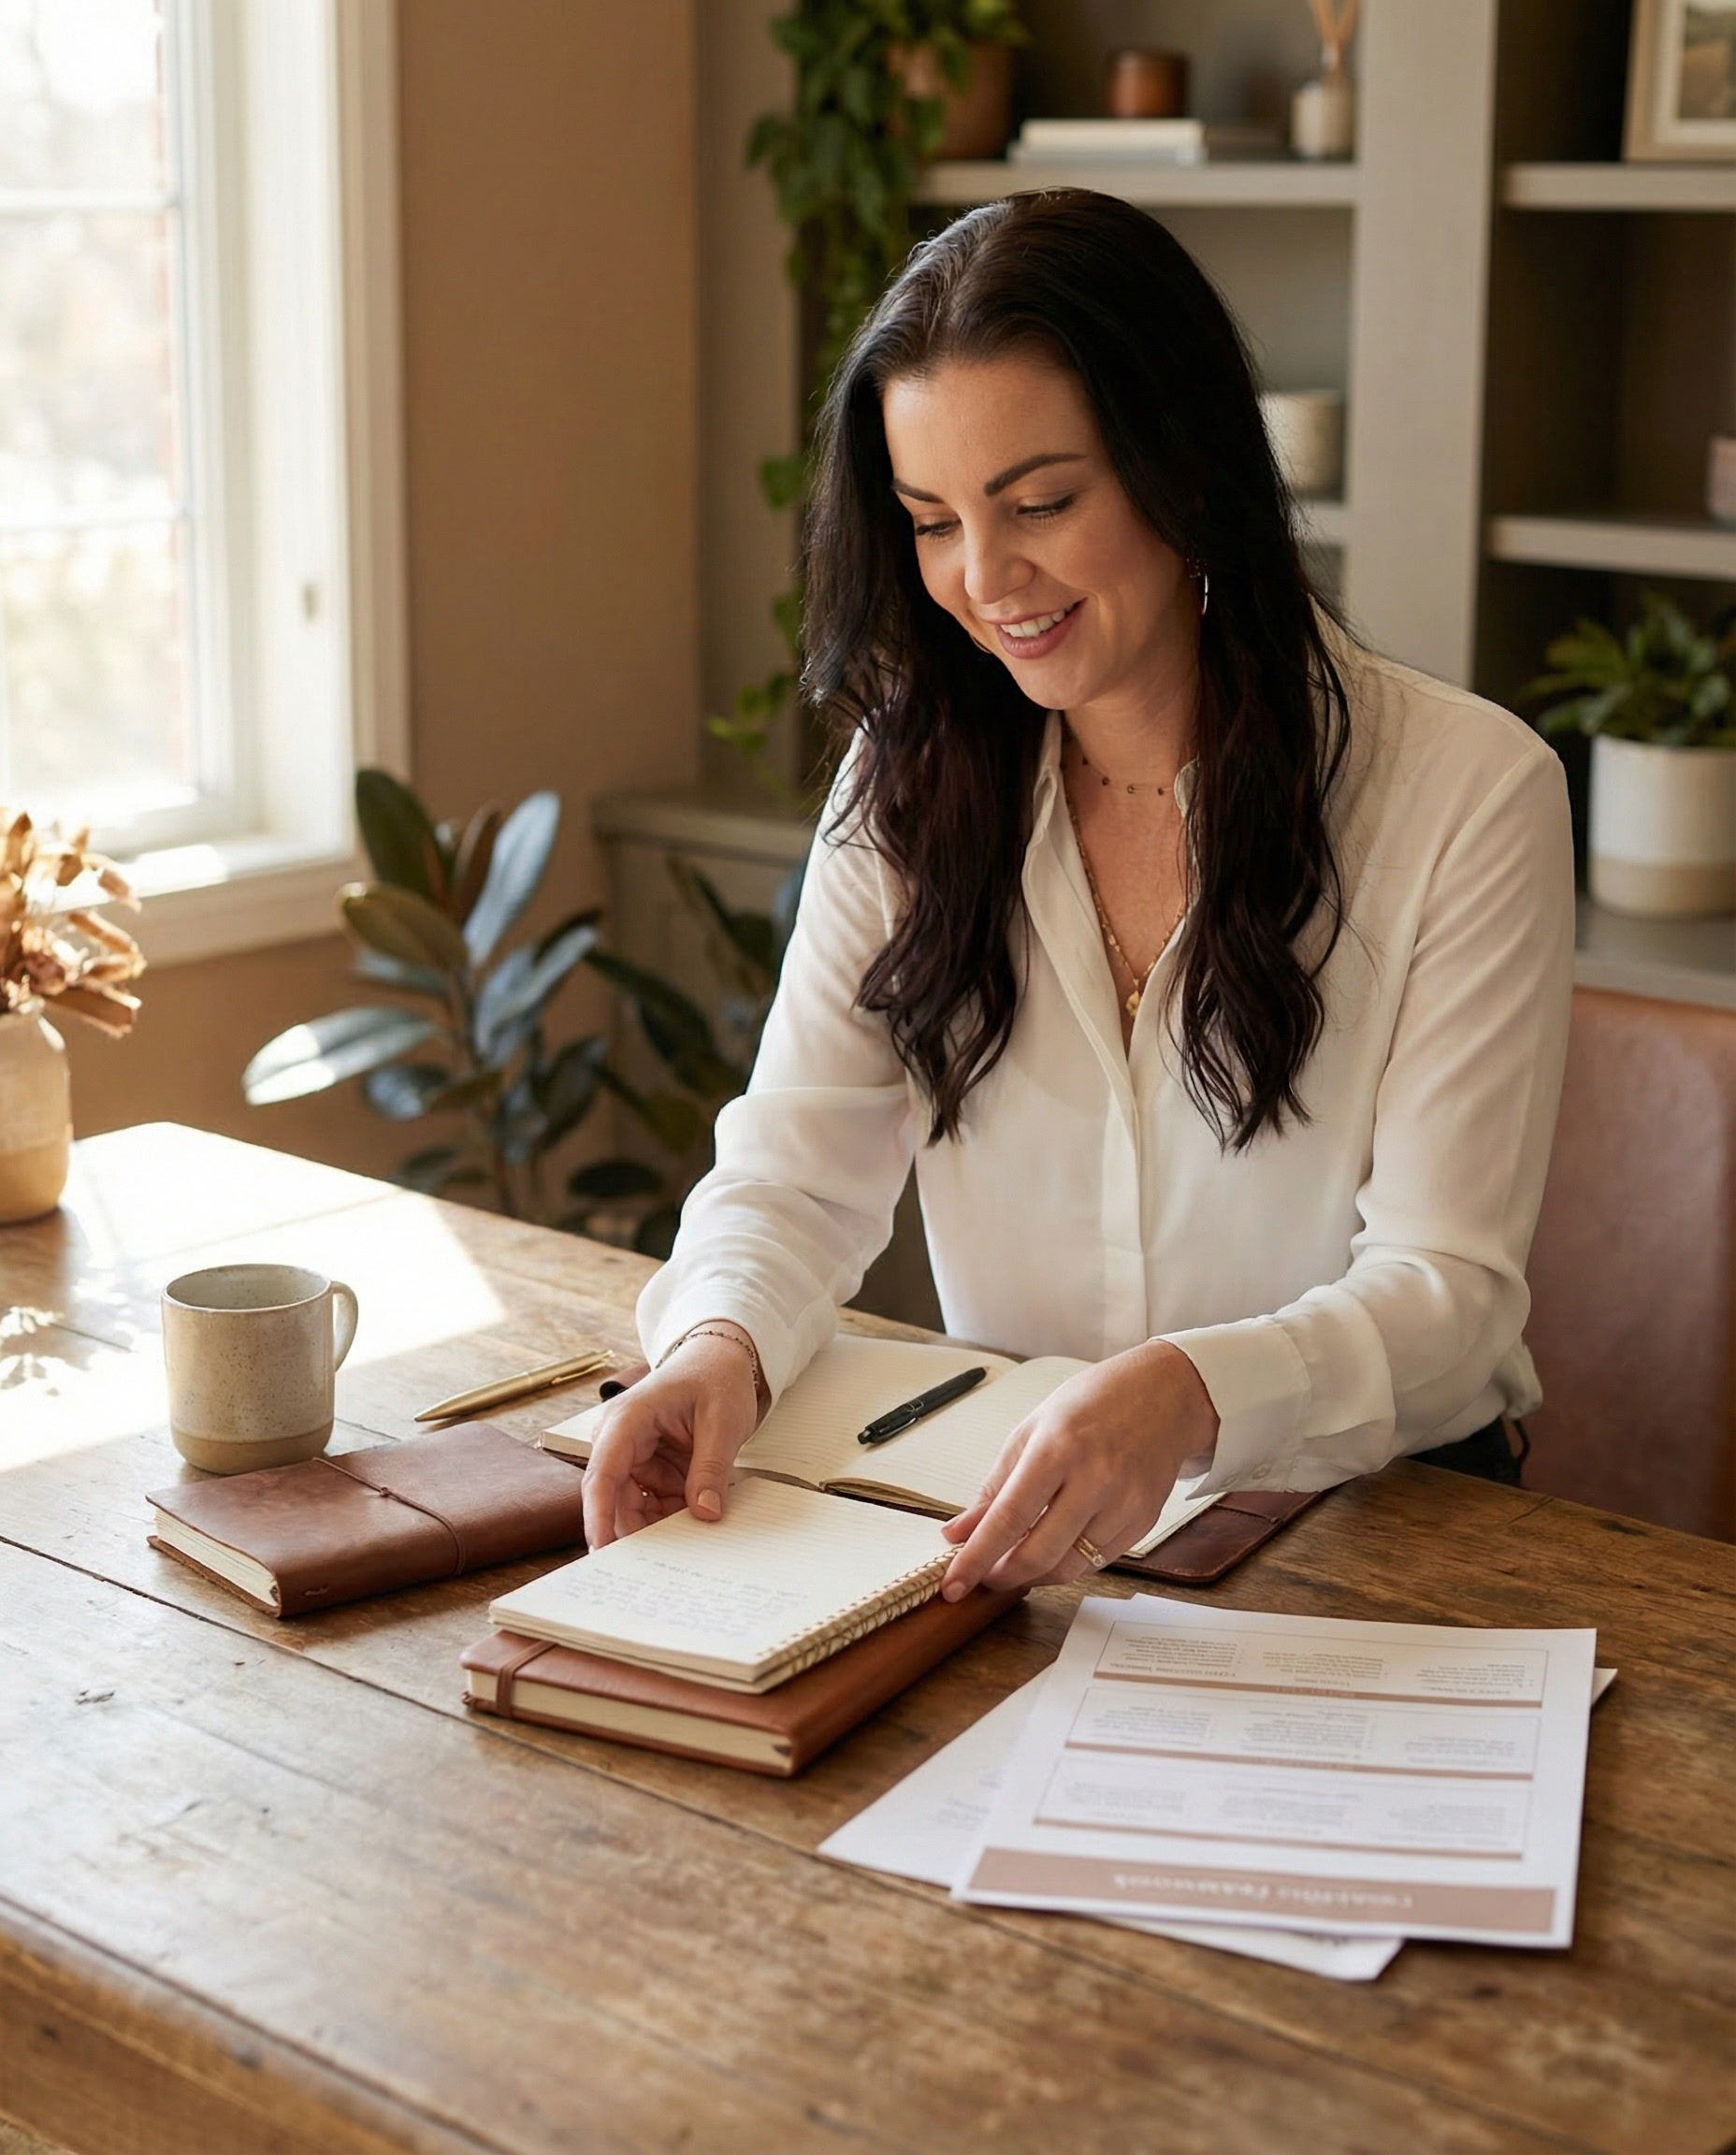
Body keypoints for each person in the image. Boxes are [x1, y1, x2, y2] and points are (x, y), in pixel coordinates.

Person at [580, 189, 1575, 1599]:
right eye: (932, 523)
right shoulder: (908, 785)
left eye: (1041, 503)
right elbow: (797, 1167)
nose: (987, 584)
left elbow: (1450, 1298)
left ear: (1186, 472)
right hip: (1027, 1540)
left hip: (1381, 1537)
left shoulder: (1469, 795)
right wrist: (715, 1342)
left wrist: (1191, 1393)